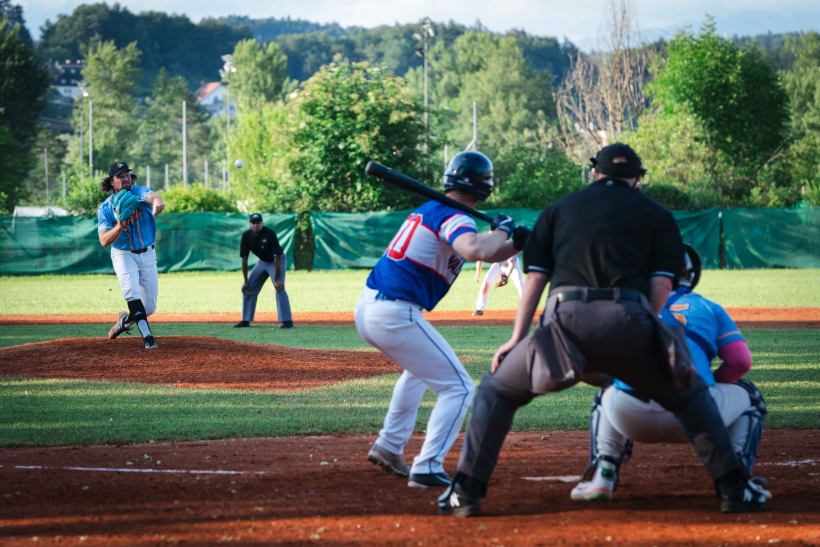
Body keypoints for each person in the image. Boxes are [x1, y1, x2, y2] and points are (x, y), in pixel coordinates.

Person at [439, 143, 770, 517]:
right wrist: (642, 329)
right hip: (631, 319)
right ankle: (733, 489)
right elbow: (661, 288)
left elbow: (534, 281)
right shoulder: (657, 214)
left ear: (595, 172)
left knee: (496, 391)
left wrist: (517, 339)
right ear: (638, 179)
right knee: (691, 394)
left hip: (565, 323)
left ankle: (465, 493)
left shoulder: (558, 209)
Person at [355, 151, 530, 489]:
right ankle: (427, 466)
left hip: (371, 307)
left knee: (419, 373)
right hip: (394, 312)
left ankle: (389, 446)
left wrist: (514, 244)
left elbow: (488, 250)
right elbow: (476, 250)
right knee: (459, 388)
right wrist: (502, 229)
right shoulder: (455, 216)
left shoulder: (434, 210)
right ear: (485, 188)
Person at [571, 244, 768, 503]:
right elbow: (741, 363)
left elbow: (590, 364)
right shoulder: (710, 308)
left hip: (631, 415)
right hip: (696, 415)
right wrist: (707, 387)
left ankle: (603, 477)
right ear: (690, 273)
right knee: (750, 395)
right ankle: (737, 481)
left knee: (609, 391)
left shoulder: (629, 306)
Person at [99, 162, 165, 350]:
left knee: (150, 307)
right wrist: (119, 226)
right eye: (121, 176)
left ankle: (124, 322)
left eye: (128, 175)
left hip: (148, 253)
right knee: (132, 295)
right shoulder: (105, 208)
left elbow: (152, 195)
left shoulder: (138, 193)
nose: (126, 178)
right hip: (123, 254)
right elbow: (104, 241)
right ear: (112, 181)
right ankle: (148, 338)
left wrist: (157, 200)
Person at [233, 213, 293, 329]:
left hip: (278, 260)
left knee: (279, 287)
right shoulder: (246, 236)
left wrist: (276, 279)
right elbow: (244, 260)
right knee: (248, 287)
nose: (256, 225)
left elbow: (277, 258)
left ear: (262, 223)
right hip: (262, 261)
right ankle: (245, 320)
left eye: (258, 223)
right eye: (253, 223)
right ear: (250, 224)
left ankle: (287, 321)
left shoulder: (269, 234)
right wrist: (245, 281)